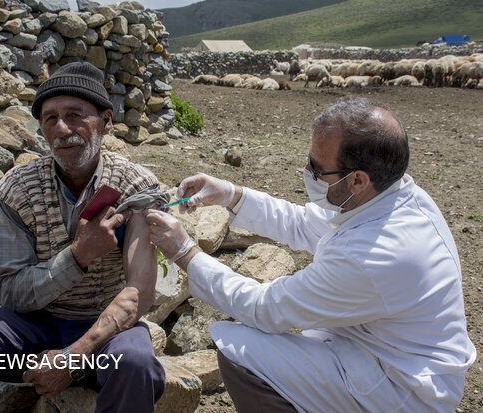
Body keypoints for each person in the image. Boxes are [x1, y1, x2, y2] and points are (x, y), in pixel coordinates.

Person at [145, 97, 476, 412]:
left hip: (402, 390)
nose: (306, 170)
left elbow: (264, 309)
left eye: (317, 168)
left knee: (240, 352)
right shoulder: (390, 197)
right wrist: (231, 195)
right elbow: (305, 224)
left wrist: (185, 252)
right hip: (383, 353)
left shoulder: (376, 255)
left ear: (358, 180)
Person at [0, 62, 165, 413]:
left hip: (105, 331)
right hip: (31, 326)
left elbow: (138, 292)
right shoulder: (19, 189)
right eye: (50, 119)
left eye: (75, 115)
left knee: (135, 362)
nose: (62, 128)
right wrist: (79, 255)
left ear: (106, 121)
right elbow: (9, 291)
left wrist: (73, 358)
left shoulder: (136, 187)